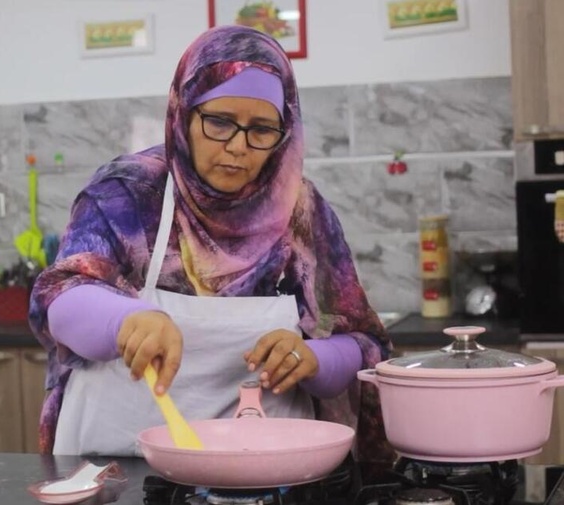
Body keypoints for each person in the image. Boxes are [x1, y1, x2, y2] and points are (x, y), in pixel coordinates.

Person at [28, 25, 394, 463]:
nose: (238, 147)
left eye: (262, 130)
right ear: (185, 111)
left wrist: (314, 358)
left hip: (264, 466)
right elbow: (60, 298)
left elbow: (363, 346)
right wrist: (125, 320)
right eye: (219, 122)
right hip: (120, 466)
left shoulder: (299, 211)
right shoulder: (128, 192)